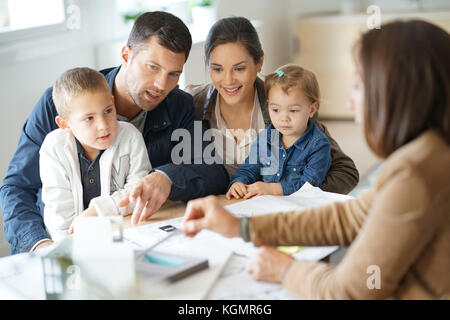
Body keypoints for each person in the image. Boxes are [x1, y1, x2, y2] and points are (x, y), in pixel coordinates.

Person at [181, 20, 450, 299]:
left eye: (359, 86)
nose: (350, 102)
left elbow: (349, 291)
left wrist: (286, 270)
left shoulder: (414, 175)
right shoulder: (425, 154)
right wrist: (242, 228)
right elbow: (350, 216)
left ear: (400, 94)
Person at [0, 11, 229, 254]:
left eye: (174, 74)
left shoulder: (178, 105)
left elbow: (214, 172)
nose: (162, 85)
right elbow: (16, 188)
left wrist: (167, 178)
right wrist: (40, 245)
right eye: (152, 67)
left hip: (130, 245)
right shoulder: (57, 103)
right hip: (53, 244)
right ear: (126, 55)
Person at [185, 16, 359, 194]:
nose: (228, 80)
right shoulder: (192, 103)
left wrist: (286, 192)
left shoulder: (289, 103)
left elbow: (346, 172)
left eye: (239, 69)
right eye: (217, 69)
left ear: (259, 63)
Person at [40, 67, 151, 241]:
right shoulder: (54, 148)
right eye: (89, 118)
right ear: (64, 124)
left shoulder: (130, 137)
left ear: (113, 103)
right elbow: (59, 216)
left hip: (124, 233)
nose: (103, 125)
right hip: (71, 241)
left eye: (108, 111)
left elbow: (139, 191)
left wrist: (97, 211)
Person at [227, 64, 331, 199]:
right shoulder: (265, 138)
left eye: (293, 110)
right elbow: (249, 169)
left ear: (311, 109)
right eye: (276, 110)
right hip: (265, 207)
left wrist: (274, 188)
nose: (284, 118)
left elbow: (310, 186)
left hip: (299, 211)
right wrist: (238, 183)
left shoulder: (318, 145)